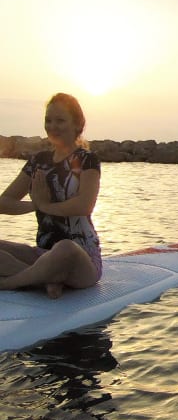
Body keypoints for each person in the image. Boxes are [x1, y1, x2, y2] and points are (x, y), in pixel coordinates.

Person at [0, 93, 102, 299]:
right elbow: (3, 203)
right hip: (42, 255)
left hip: (81, 258)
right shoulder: (39, 161)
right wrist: (36, 205)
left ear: (77, 124)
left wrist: (45, 205)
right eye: (48, 120)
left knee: (65, 248)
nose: (52, 126)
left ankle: (11, 282)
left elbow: (84, 206)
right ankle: (47, 279)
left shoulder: (87, 160)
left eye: (60, 120)